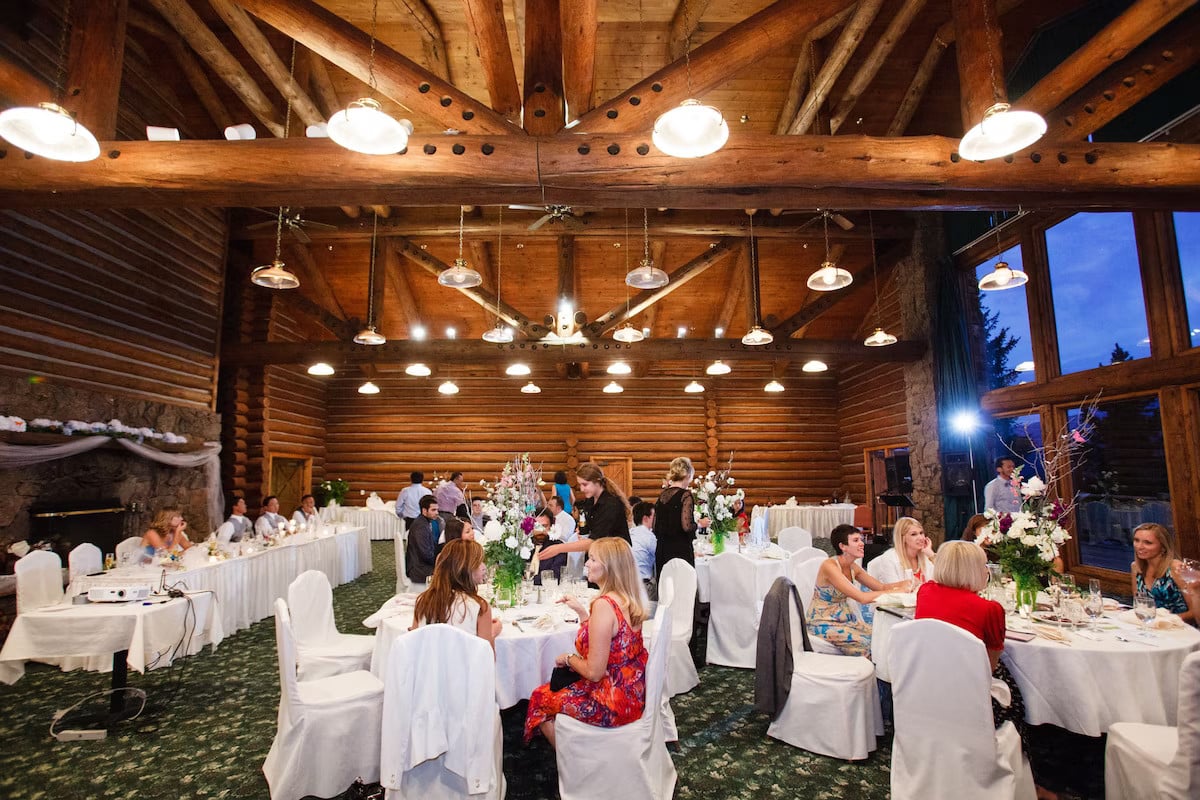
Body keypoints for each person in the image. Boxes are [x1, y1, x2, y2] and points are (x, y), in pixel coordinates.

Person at [916, 541, 1057, 800]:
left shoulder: (925, 592)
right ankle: (1035, 776)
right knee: (1019, 695)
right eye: (984, 566)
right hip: (969, 697)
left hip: (927, 686)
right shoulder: (989, 609)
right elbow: (989, 667)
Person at [524, 538, 648, 748]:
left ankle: (573, 764)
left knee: (539, 698)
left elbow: (594, 672)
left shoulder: (604, 605)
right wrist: (582, 612)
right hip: (632, 692)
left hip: (610, 703)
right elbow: (611, 642)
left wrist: (568, 659)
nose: (587, 564)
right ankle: (579, 748)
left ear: (610, 567)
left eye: (592, 559)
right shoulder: (627, 598)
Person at [807, 524, 909, 657]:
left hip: (846, 619)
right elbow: (862, 597)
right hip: (823, 622)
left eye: (861, 540)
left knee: (881, 638)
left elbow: (881, 587)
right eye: (856, 540)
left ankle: (885, 674)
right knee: (868, 644)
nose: (862, 543)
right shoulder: (830, 566)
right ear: (842, 546)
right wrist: (898, 590)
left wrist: (906, 583)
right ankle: (873, 675)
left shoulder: (853, 567)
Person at [411, 539, 502, 648]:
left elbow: (414, 646)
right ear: (466, 568)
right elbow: (488, 659)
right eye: (479, 562)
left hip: (430, 665)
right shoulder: (480, 608)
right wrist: (491, 632)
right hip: (464, 665)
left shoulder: (423, 601)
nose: (484, 567)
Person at [537, 462, 631, 561]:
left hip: (616, 557)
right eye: (580, 485)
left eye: (585, 484)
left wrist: (558, 548)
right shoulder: (590, 501)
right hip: (601, 555)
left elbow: (594, 540)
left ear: (598, 482)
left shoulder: (611, 504)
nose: (582, 489)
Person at [1130, 522, 1197, 624]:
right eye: (1136, 540)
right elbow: (1139, 605)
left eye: (1148, 543)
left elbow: (1195, 612)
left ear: (1163, 546)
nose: (1139, 546)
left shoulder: (1176, 568)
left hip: (1180, 628)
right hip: (1151, 627)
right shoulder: (1136, 567)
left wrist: (1164, 621)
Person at [652, 456, 705, 579]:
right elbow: (686, 526)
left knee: (666, 589)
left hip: (662, 549)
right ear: (687, 475)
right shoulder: (685, 495)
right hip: (680, 549)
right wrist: (698, 524)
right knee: (683, 589)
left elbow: (655, 527)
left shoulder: (662, 495)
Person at [867, 516, 936, 586]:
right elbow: (895, 590)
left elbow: (943, 579)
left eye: (921, 533)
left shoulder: (925, 555)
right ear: (902, 538)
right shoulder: (889, 559)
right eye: (914, 534)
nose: (921, 538)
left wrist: (931, 554)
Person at [405, 495, 442, 586]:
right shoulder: (421, 527)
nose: (437, 513)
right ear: (424, 511)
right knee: (450, 573)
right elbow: (426, 555)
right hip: (418, 569)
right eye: (433, 510)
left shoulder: (425, 522)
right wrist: (441, 562)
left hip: (421, 564)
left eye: (437, 510)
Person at [629, 501, 657, 596]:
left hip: (626, 584)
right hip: (643, 586)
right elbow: (660, 556)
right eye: (654, 517)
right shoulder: (649, 536)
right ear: (646, 518)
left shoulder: (629, 533)